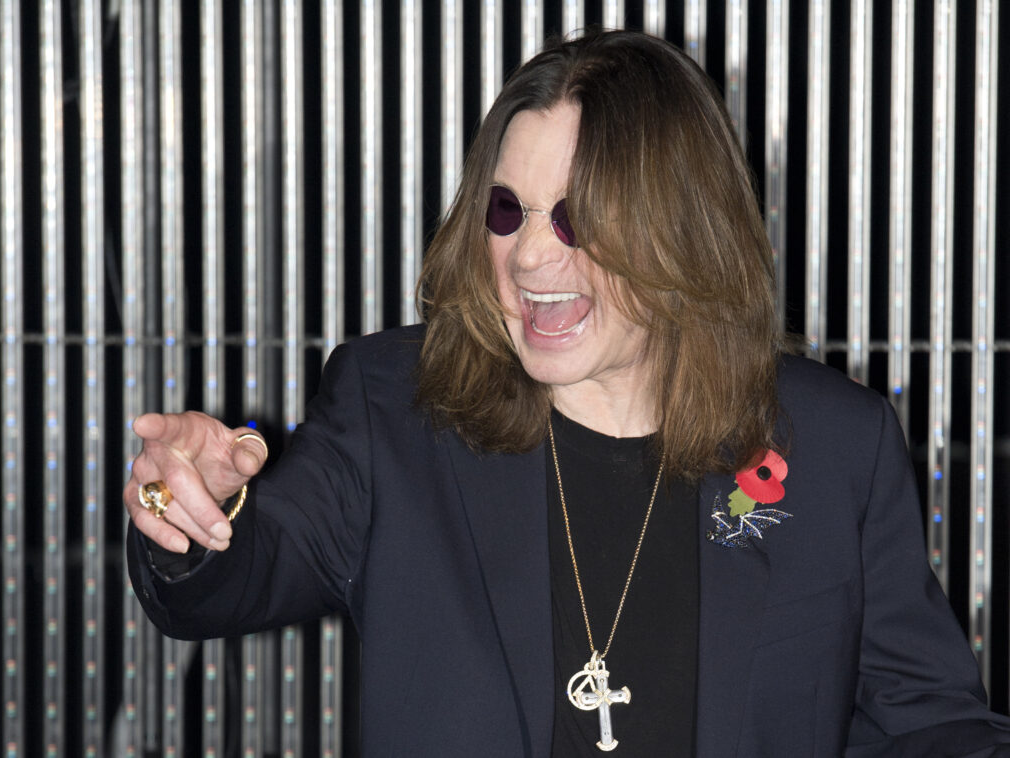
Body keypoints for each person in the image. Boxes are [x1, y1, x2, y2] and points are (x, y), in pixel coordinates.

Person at [125, 30, 1010, 757]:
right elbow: (237, 575)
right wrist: (190, 510)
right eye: (507, 211)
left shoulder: (833, 444)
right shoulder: (393, 407)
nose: (530, 257)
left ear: (682, 229)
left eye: (577, 218)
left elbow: (927, 723)